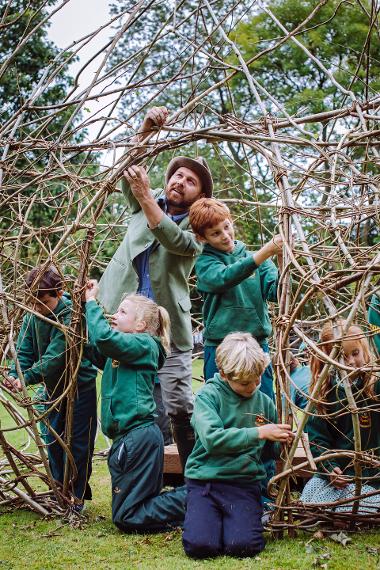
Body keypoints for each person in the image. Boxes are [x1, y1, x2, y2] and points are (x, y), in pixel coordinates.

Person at [98, 106, 213, 468]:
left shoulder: (197, 234)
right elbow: (127, 171)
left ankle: (194, 474)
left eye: (190, 181)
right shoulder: (140, 205)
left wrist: (148, 197)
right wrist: (144, 132)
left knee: (177, 403)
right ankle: (144, 472)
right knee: (130, 398)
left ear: (198, 197)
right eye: (177, 175)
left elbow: (170, 236)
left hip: (166, 329)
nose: (180, 181)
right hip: (123, 317)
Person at [84, 280, 187, 532]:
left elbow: (105, 339)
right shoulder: (125, 350)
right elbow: (97, 348)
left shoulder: (144, 345)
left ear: (140, 325)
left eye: (122, 312)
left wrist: (91, 303)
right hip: (129, 440)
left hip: (137, 438)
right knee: (129, 511)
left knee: (126, 516)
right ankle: (194, 500)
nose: (115, 315)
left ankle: (199, 497)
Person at [182, 332, 294, 559]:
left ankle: (229, 522)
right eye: (244, 382)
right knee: (200, 547)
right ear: (223, 374)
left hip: (243, 483)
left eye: (258, 378)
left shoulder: (264, 402)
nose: (253, 386)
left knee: (243, 546)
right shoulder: (208, 396)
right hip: (206, 482)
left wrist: (282, 441)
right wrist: (260, 432)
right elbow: (213, 440)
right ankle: (207, 519)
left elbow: (267, 455)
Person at [3, 266, 97, 511]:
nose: (38, 308)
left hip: (79, 387)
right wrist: (15, 374)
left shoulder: (72, 314)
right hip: (52, 389)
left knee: (77, 443)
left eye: (44, 302)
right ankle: (61, 491)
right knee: (53, 441)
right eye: (34, 303)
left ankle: (77, 497)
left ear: (60, 291)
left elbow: (58, 356)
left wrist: (29, 376)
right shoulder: (33, 315)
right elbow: (24, 350)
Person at [188, 197, 282, 399]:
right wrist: (263, 254)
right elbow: (225, 277)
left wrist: (285, 265)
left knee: (262, 405)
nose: (225, 236)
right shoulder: (205, 263)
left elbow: (277, 293)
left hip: (257, 345)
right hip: (220, 347)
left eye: (226, 227)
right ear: (202, 238)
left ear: (231, 221)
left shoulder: (259, 260)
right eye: (215, 233)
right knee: (221, 406)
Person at [300, 321, 380, 512]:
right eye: (342, 357)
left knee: (355, 502)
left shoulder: (374, 387)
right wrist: (330, 469)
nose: (351, 362)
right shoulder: (325, 393)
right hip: (339, 479)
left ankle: (351, 511)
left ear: (364, 350)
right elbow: (318, 440)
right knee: (310, 496)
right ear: (328, 357)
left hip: (372, 477)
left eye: (355, 353)